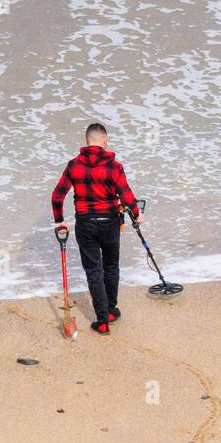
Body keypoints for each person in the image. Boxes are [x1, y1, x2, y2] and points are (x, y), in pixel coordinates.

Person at [52, 123, 141, 334]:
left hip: (85, 223)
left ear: (86, 141)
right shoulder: (114, 166)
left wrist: (60, 220)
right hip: (110, 222)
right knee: (111, 267)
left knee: (94, 272)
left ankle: (102, 322)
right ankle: (110, 311)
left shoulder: (74, 165)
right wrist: (138, 214)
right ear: (104, 141)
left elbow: (57, 195)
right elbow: (126, 195)